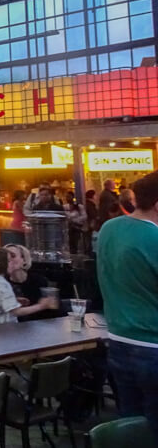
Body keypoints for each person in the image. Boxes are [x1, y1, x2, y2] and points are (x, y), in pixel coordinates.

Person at [97, 170, 158, 436]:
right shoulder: (154, 238)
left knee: (132, 428)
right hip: (153, 345)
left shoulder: (109, 229)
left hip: (119, 341)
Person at [0, 248, 57, 324]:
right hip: (8, 329)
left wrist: (14, 300)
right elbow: (16, 312)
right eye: (9, 261)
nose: (12, 263)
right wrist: (41, 306)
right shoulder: (3, 284)